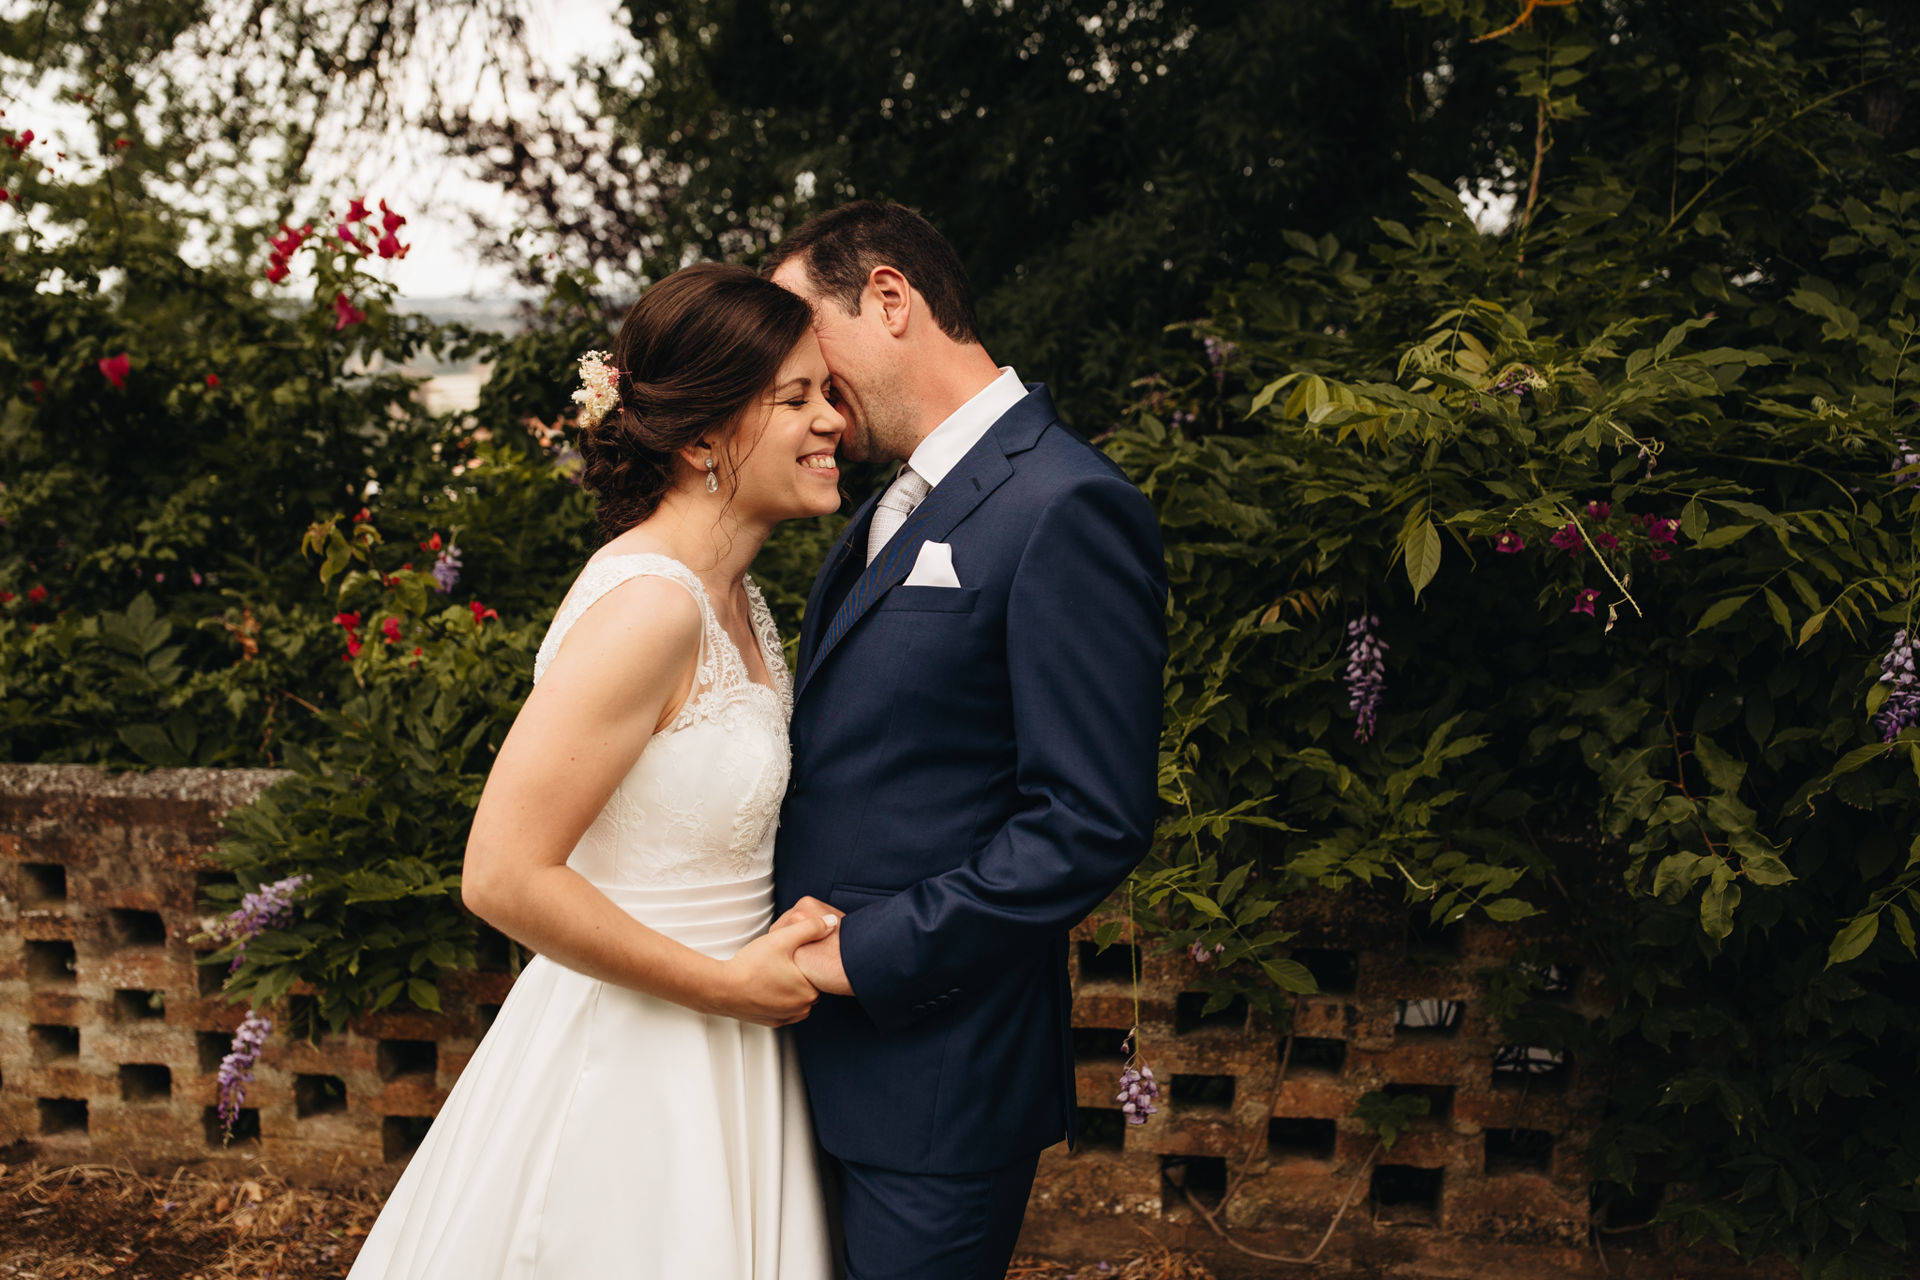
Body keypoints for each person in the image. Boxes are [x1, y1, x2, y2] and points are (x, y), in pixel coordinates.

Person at [346, 262, 847, 1280]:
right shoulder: (651, 608)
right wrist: (725, 984)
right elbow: (501, 874)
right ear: (703, 438)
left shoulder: (738, 600)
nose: (832, 419)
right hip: (637, 1054)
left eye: (827, 392)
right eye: (794, 398)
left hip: (736, 1045)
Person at [765, 203, 1169, 1280]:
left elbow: (1088, 821)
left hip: (937, 1084)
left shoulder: (1068, 503)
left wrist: (866, 953)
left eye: (808, 331)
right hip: (800, 1064)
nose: (803, 375)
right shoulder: (881, 511)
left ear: (890, 298)